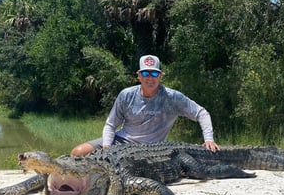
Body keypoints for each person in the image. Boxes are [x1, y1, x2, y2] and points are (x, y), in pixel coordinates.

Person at [71, 55, 220, 156]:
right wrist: (107, 148)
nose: (150, 78)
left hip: (153, 149)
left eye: (154, 74)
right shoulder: (126, 95)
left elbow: (201, 113)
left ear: (160, 76)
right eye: (146, 73)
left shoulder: (172, 97)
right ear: (139, 75)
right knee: (77, 152)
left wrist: (209, 139)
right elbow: (110, 125)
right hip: (121, 141)